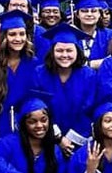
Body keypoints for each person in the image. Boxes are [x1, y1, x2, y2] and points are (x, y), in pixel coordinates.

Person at [32, 23, 97, 158]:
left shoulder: (89, 75)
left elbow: (88, 110)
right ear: (52, 51)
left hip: (78, 142)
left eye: (69, 50)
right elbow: (40, 108)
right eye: (60, 50)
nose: (64, 55)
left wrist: (70, 139)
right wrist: (59, 138)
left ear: (77, 51)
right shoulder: (39, 74)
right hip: (46, 139)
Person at [0, 10, 39, 144]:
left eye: (22, 34)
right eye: (12, 34)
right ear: (3, 37)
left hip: (27, 129)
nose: (18, 39)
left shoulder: (34, 63)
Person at [69, 0, 112, 68]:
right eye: (84, 11)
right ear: (77, 15)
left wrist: (88, 64)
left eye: (93, 11)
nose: (89, 14)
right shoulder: (70, 34)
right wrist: (95, 64)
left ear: (99, 14)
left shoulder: (110, 35)